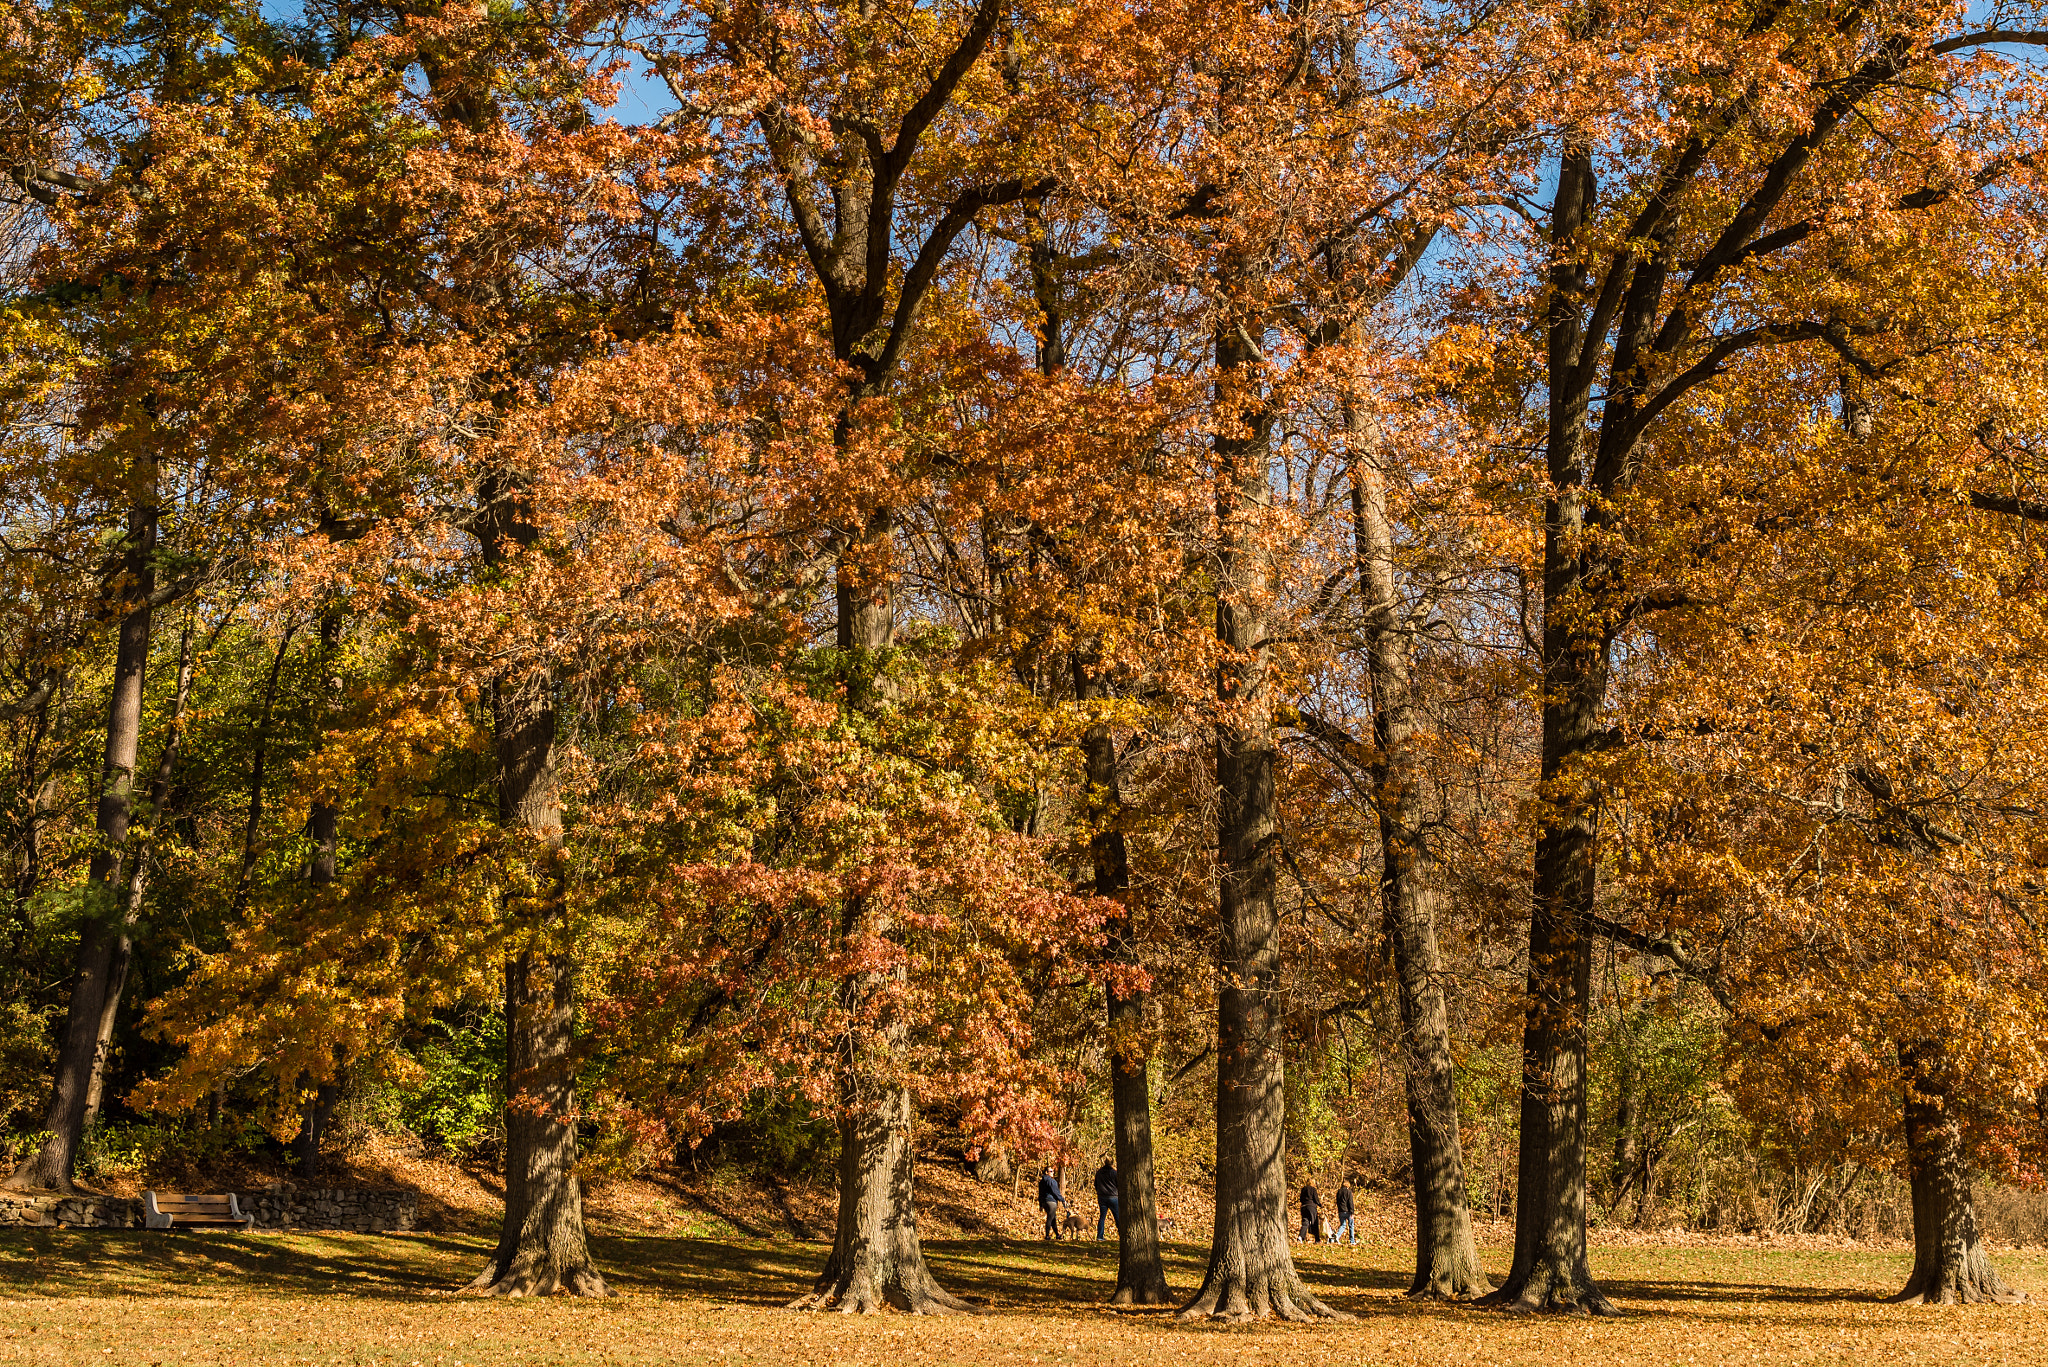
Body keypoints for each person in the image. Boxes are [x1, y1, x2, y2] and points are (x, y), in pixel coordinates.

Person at [1094, 1157, 1120, 1240]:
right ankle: (1121, 1234)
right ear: (1112, 1163)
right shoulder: (1114, 1173)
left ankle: (1100, 1236)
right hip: (1113, 1197)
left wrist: (1099, 1191)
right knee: (1117, 1217)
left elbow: (1096, 1184)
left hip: (1102, 1197)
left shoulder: (1099, 1172)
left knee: (1102, 1217)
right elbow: (1118, 1184)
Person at [1037, 1167, 1065, 1240]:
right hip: (1051, 1202)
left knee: (1053, 1218)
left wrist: (1040, 1204)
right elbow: (1056, 1192)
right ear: (1046, 1172)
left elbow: (1040, 1194)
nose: (1053, 1173)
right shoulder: (1052, 1181)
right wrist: (1062, 1200)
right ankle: (1047, 1235)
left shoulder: (1041, 1182)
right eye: (1051, 1171)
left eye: (1053, 1171)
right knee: (1050, 1218)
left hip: (1044, 1202)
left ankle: (1057, 1235)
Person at [1334, 1177, 1356, 1245]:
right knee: (1351, 1226)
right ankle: (1352, 1241)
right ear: (1348, 1185)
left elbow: (1337, 1201)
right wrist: (1352, 1212)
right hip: (1348, 1211)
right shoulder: (1348, 1192)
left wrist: (1339, 1209)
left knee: (1343, 1225)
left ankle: (1337, 1236)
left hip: (1341, 1211)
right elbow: (1350, 1202)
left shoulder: (1339, 1192)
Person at [1298, 1178, 1320, 1243]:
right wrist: (1320, 1205)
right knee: (1314, 1222)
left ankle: (1301, 1236)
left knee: (1305, 1222)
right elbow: (1316, 1199)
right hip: (1311, 1207)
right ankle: (1317, 1239)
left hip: (1304, 1207)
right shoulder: (1313, 1189)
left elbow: (1301, 1199)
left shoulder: (1303, 1189)